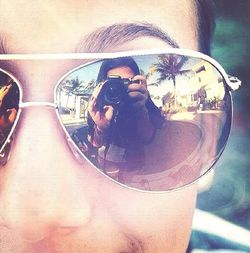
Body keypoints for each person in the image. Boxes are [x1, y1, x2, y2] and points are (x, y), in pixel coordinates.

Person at [0, 1, 248, 252]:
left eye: (128, 86)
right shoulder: (91, 128)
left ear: (207, 145)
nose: (36, 214)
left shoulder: (169, 133)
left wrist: (141, 115)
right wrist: (98, 131)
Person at [87, 57, 164, 173]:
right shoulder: (98, 106)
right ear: (102, 85)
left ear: (137, 82)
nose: (120, 88)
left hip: (137, 168)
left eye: (126, 82)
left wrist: (141, 111)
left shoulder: (142, 102)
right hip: (107, 167)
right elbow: (95, 143)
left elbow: (149, 138)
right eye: (113, 83)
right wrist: (101, 127)